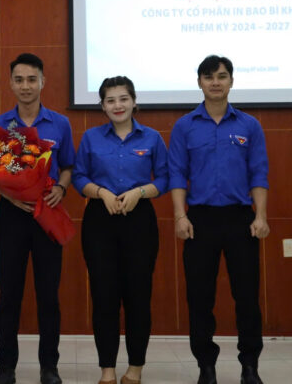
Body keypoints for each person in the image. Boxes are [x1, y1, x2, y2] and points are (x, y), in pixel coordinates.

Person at [168, 55, 270, 384]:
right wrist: (180, 216)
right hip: (199, 220)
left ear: (231, 81)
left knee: (247, 297)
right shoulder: (184, 126)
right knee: (200, 298)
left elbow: (259, 172)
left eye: (222, 76)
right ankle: (206, 366)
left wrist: (261, 216)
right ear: (199, 82)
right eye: (209, 77)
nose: (215, 82)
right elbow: (177, 174)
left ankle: (250, 365)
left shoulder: (249, 125)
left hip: (241, 219)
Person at [72, 76, 167, 384]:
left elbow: (165, 178)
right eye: (110, 100)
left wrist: (140, 192)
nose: (118, 105)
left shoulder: (152, 138)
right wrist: (101, 193)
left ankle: (135, 368)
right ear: (102, 106)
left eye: (123, 98)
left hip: (140, 222)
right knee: (104, 297)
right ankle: (107, 370)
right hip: (100, 221)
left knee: (138, 297)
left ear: (134, 101)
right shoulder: (91, 138)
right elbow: (78, 177)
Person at [0, 53, 75, 384]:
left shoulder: (60, 123)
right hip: (11, 215)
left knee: (48, 295)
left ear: (42, 82)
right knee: (9, 294)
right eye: (19, 80)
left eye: (32, 79)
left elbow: (68, 166)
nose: (26, 86)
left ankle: (49, 366)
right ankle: (5, 366)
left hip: (47, 212)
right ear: (11, 83)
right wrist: (8, 195)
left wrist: (61, 189)